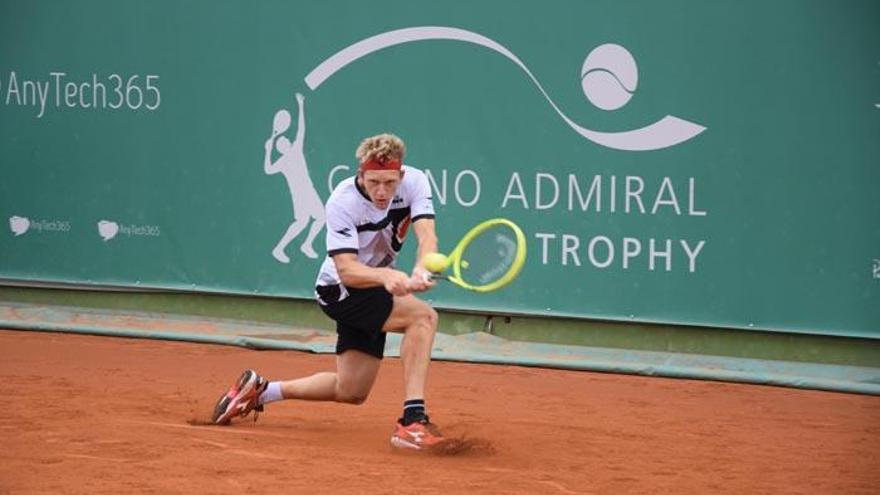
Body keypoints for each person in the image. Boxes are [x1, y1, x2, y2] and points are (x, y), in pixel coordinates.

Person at [213, 133, 445, 450]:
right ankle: (412, 421)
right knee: (423, 318)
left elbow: (427, 236)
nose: (381, 191)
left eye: (389, 182)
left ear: (400, 176)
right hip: (341, 290)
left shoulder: (415, 183)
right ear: (360, 174)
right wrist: (387, 276)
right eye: (374, 181)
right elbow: (347, 269)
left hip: (374, 287)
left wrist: (421, 269)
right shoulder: (343, 200)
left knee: (351, 391)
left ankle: (262, 390)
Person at [264, 92, 325, 262]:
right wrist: (267, 151)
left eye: (287, 140)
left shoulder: (296, 150)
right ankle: (279, 248)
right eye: (283, 142)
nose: (287, 141)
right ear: (281, 148)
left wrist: (301, 106)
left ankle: (306, 244)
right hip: (299, 194)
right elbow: (268, 169)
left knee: (321, 217)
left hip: (309, 190)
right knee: (302, 222)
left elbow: (301, 129)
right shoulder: (284, 160)